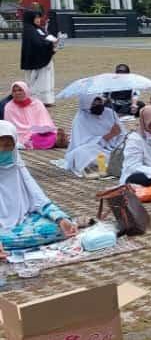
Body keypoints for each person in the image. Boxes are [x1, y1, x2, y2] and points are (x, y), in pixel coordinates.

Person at [0, 121, 78, 255]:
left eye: (7, 146)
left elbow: (39, 199)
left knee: (58, 227)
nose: (2, 151)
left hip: (23, 221)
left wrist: (60, 219)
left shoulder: (18, 168)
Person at [65, 94, 124, 175]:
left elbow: (122, 136)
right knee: (81, 153)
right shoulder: (81, 119)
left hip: (114, 149)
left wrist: (119, 134)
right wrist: (110, 135)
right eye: (94, 104)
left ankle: (109, 165)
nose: (98, 106)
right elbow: (83, 144)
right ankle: (100, 167)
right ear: (86, 105)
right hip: (94, 151)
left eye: (100, 103)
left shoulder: (110, 113)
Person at [3, 81, 58, 148]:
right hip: (22, 135)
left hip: (40, 132)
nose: (17, 93)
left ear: (26, 91)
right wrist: (29, 132)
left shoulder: (37, 103)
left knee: (51, 136)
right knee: (34, 139)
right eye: (14, 91)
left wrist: (41, 129)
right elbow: (11, 126)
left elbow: (45, 120)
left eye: (20, 90)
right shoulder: (9, 106)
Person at [20, 9, 58, 106]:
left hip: (44, 57)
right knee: (36, 80)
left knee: (46, 79)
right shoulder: (29, 30)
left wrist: (53, 42)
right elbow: (37, 44)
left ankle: (46, 99)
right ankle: (37, 99)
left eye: (39, 17)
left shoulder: (39, 29)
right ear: (30, 18)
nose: (38, 19)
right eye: (36, 18)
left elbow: (44, 38)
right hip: (36, 59)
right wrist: (50, 44)